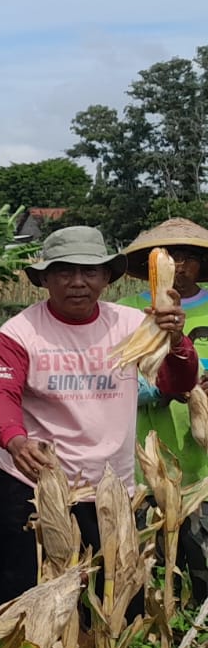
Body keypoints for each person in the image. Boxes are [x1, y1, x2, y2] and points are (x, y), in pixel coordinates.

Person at [0, 225, 196, 605]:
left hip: (109, 488)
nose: (77, 282)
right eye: (64, 271)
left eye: (89, 271)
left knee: (110, 605)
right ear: (45, 277)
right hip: (33, 484)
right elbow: (2, 393)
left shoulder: (131, 326)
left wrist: (177, 340)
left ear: (106, 277)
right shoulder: (19, 332)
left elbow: (176, 384)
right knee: (19, 598)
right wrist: (15, 439)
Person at [120, 218, 208, 598]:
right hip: (142, 452)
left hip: (200, 459)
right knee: (145, 562)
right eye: (169, 256)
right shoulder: (126, 310)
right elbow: (116, 375)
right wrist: (163, 387)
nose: (179, 265)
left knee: (201, 558)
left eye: (188, 257)